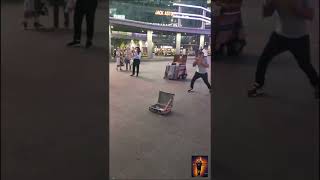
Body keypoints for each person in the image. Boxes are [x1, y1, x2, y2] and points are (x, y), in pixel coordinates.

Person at [248, 0, 319, 98]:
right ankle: (258, 84)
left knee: (305, 64)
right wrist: (268, 5)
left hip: (299, 37)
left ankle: (317, 85)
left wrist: (295, 8)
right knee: (264, 59)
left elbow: (310, 15)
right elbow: (266, 14)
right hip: (279, 36)